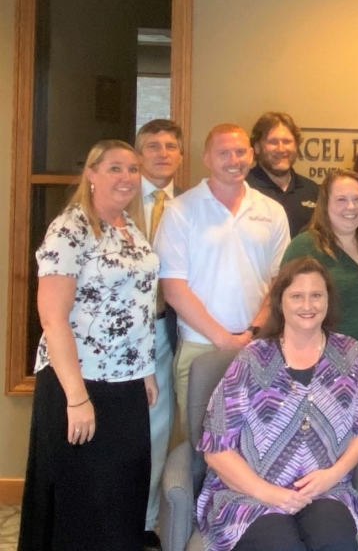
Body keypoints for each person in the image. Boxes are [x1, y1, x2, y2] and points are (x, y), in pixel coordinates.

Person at [20, 140, 159, 550]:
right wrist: (77, 398)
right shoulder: (71, 228)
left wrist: (145, 370)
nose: (126, 177)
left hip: (126, 383)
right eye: (115, 168)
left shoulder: (129, 225)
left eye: (133, 169)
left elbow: (135, 302)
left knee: (122, 497)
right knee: (82, 503)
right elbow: (53, 318)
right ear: (91, 174)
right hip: (78, 383)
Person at [197, 257, 358, 551]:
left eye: (316, 295)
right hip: (250, 494)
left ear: (328, 300)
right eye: (296, 296)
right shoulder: (253, 359)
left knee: (336, 542)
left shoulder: (350, 354)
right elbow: (216, 449)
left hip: (325, 489)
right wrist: (271, 494)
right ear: (280, 302)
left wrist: (333, 475)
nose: (307, 305)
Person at [156, 123, 291, 433]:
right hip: (200, 347)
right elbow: (174, 289)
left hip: (259, 346)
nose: (234, 160)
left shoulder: (272, 211)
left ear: (252, 154)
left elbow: (279, 283)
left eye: (240, 152)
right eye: (224, 153)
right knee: (199, 444)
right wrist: (223, 339)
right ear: (207, 158)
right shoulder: (180, 210)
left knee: (259, 439)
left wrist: (252, 331)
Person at [281, 169, 358, 371]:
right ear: (325, 204)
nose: (351, 207)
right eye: (341, 199)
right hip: (323, 364)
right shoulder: (304, 247)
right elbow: (282, 307)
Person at [135, 118, 185, 549]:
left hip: (163, 328)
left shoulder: (188, 207)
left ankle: (146, 519)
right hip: (113, 335)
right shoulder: (117, 198)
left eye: (170, 146)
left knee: (158, 426)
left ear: (181, 156)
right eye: (153, 145)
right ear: (139, 153)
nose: (162, 153)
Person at [246, 111, 320, 236]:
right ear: (257, 147)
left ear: (296, 146)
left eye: (286, 141)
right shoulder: (244, 188)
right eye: (273, 142)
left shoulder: (312, 190)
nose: (281, 149)